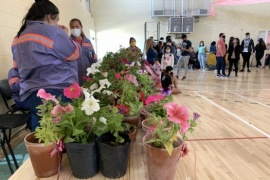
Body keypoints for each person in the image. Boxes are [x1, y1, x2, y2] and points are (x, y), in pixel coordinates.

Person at [11, 0, 81, 131]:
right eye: (57, 20)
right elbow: (75, 54)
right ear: (50, 16)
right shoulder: (53, 32)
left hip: (30, 94)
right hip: (55, 91)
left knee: (41, 134)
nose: (57, 24)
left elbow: (16, 67)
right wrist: (66, 36)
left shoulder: (18, 37)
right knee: (63, 133)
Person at [69, 18, 97, 86]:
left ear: (81, 27)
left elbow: (94, 58)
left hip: (89, 75)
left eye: (77, 26)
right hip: (75, 77)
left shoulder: (88, 42)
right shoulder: (69, 42)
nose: (75, 29)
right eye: (72, 27)